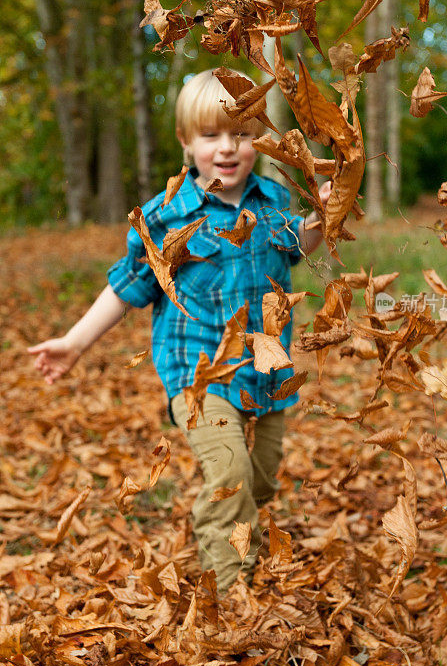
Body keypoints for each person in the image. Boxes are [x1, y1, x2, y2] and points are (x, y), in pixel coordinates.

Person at [28, 69, 332, 594]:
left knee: (259, 479)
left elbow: (294, 250)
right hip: (196, 373)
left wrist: (324, 217)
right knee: (231, 473)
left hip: (266, 370)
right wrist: (74, 343)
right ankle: (231, 592)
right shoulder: (167, 217)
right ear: (186, 142)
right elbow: (130, 286)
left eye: (241, 133)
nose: (228, 148)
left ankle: (242, 535)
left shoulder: (273, 203)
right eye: (211, 135)